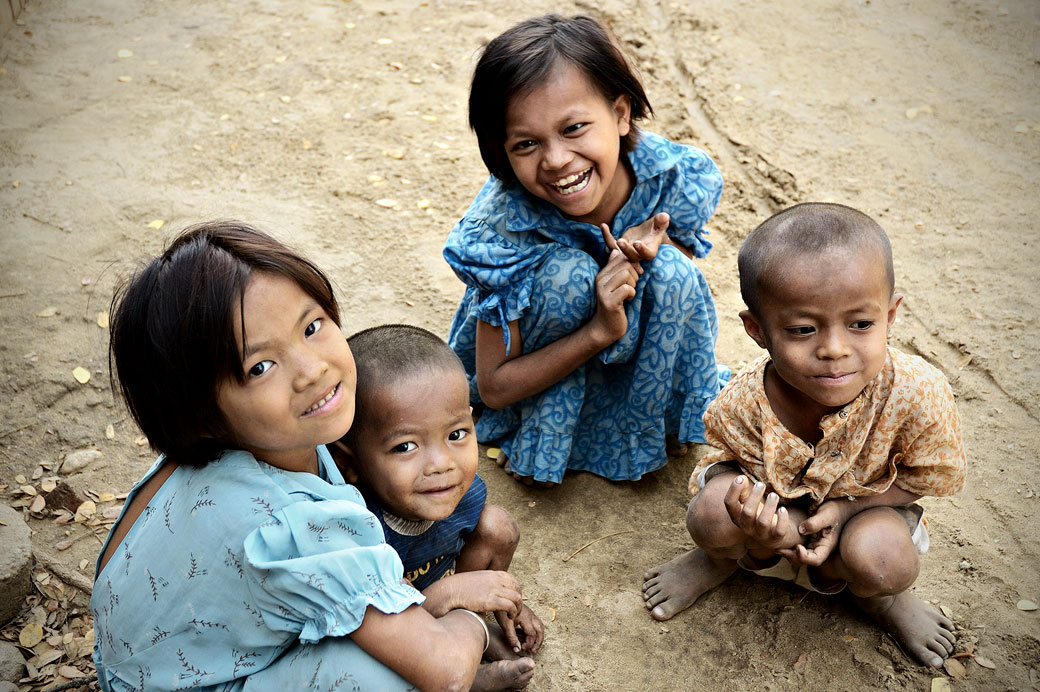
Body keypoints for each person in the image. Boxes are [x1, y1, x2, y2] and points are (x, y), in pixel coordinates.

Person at [91, 221, 503, 692]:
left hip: (135, 654)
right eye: (260, 367)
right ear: (201, 413)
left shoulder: (221, 449)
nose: (312, 370)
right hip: (187, 683)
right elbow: (445, 671)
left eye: (311, 327)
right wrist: (466, 616)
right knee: (392, 673)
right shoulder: (301, 527)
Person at [641, 203, 967, 668]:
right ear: (757, 331)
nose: (834, 349)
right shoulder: (744, 399)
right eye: (801, 329)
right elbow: (728, 467)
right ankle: (715, 562)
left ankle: (881, 602)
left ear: (891, 315)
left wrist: (848, 507)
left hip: (862, 525)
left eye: (861, 324)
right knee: (713, 513)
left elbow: (927, 476)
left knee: (884, 561)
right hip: (773, 531)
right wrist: (761, 519)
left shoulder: (919, 393)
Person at [443, 14, 728, 486]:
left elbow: (667, 306)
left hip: (626, 371)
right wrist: (597, 329)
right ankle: (547, 438)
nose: (555, 160)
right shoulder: (499, 234)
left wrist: (651, 250)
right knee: (568, 276)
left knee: (675, 273)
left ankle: (645, 428)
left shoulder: (669, 178)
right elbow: (494, 386)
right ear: (502, 150)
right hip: (539, 375)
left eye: (574, 127)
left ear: (620, 114)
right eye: (527, 143)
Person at [330, 324, 544, 690]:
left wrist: (504, 599)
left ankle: (472, 629)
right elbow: (369, 624)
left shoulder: (462, 491)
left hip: (436, 596)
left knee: (498, 527)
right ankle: (465, 673)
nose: (441, 464)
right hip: (389, 624)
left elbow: (481, 541)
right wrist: (453, 591)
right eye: (405, 446)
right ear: (348, 463)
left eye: (456, 434)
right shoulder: (356, 532)